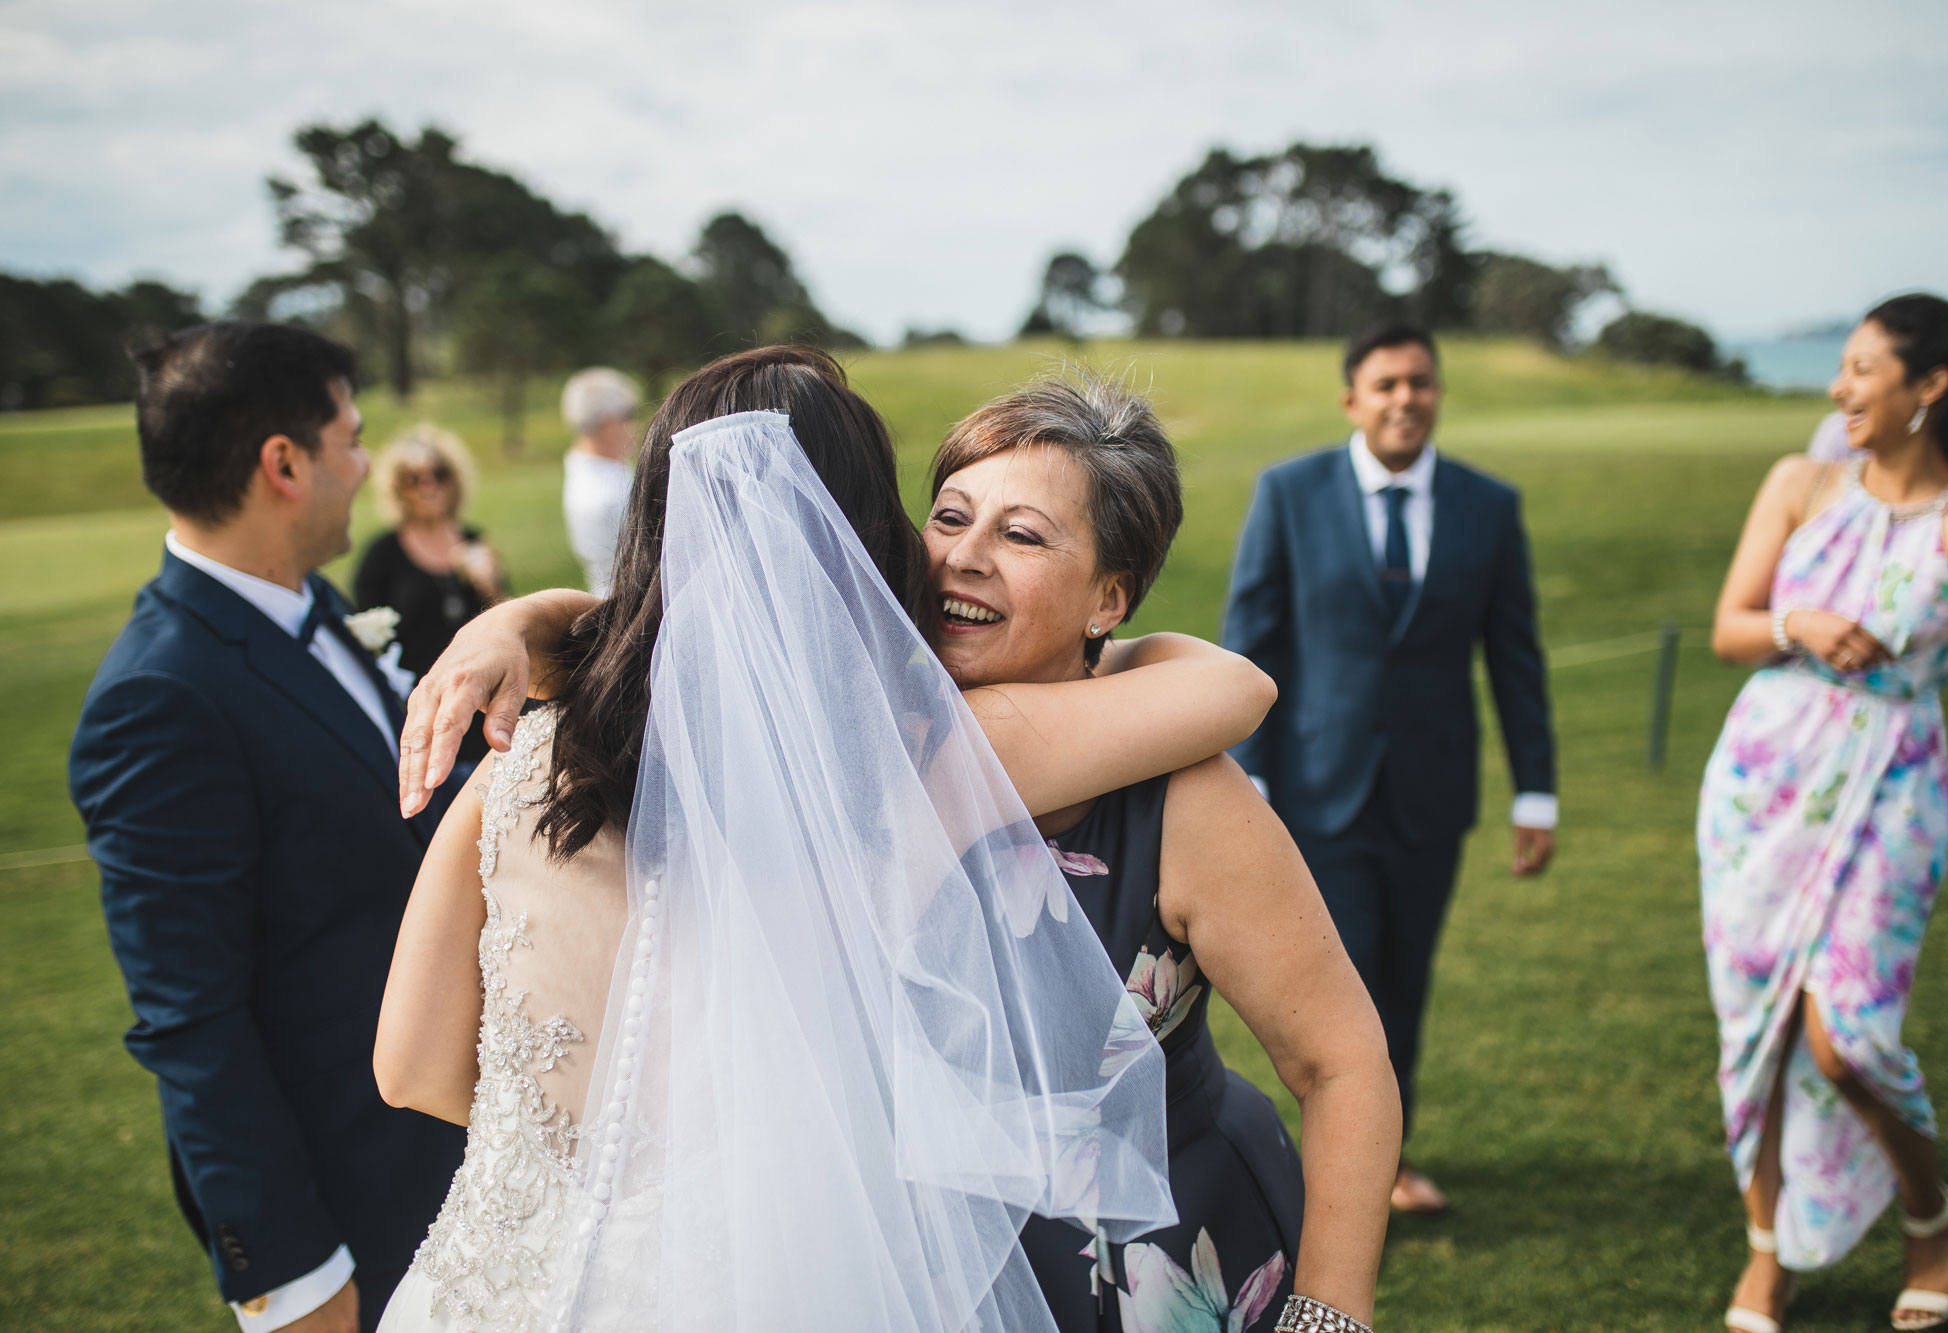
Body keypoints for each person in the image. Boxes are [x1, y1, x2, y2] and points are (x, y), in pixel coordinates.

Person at [373, 347, 1282, 1331]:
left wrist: (577, 1171)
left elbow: (410, 1070)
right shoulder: (904, 777)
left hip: (489, 1289)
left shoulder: (508, 780)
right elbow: (1230, 689)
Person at [924, 375, 1400, 1333]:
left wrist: (1331, 1315)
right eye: (948, 516)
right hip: (917, 1262)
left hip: (1156, 1265)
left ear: (1110, 597)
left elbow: (1342, 1063)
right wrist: (531, 621)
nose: (963, 559)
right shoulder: (840, 745)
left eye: (1020, 535)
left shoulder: (1187, 799)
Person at [68, 321, 465, 1333]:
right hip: (350, 1201)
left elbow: (406, 795)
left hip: (447, 1149)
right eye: (353, 436)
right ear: (282, 464)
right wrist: (285, 1272)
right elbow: (189, 1017)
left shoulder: (312, 603)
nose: (367, 462)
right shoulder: (160, 697)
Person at [1700, 293, 1948, 1333]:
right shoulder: (1800, 480)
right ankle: (1766, 1253)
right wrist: (1800, 620)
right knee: (1758, 1033)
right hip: (1758, 781)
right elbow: (1728, 626)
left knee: (1847, 1038)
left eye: (1862, 368)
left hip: (1890, 782)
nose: (1838, 389)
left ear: (1929, 386)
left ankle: (1932, 1220)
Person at [1222, 323, 1557, 1216]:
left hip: (1433, 795)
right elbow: (1249, 640)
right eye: (1386, 385)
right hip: (1315, 792)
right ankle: (1326, 1169)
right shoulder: (1289, 493)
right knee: (1342, 987)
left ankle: (1387, 1162)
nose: (1405, 398)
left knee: (1404, 982)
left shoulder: (1489, 505)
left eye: (1421, 382)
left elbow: (1515, 659)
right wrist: (1246, 772)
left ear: (1437, 392)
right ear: (1353, 400)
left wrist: (1537, 789)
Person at [353, 426, 507, 770]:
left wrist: (491, 587)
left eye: (438, 475)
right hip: (417, 708)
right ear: (398, 488)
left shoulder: (475, 541)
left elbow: (506, 625)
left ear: (454, 481)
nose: (428, 487)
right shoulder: (383, 555)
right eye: (414, 479)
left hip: (477, 702)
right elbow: (363, 639)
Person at [560, 367, 640, 596]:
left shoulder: (584, 468)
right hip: (630, 604)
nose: (633, 425)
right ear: (609, 423)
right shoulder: (611, 494)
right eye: (629, 415)